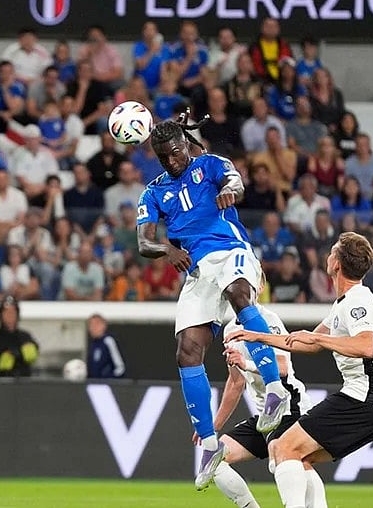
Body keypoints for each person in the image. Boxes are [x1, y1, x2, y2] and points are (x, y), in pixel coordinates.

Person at [136, 115, 291, 490]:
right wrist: (168, 249)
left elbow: (235, 180)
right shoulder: (153, 193)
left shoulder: (210, 165)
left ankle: (274, 391)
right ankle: (207, 444)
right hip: (196, 271)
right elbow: (144, 242)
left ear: (186, 146)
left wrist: (229, 191)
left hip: (232, 251)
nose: (172, 162)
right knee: (187, 351)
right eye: (164, 157)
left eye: (175, 152)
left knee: (239, 294)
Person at [227, 232, 373, 508]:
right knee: (296, 456)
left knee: (283, 447)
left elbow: (366, 346)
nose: (327, 256)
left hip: (366, 398)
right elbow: (304, 341)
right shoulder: (343, 303)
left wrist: (320, 339)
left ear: (337, 264)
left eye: (332, 252)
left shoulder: (358, 299)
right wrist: (259, 337)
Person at [208, 300, 320, 508]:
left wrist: (246, 363)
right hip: (264, 415)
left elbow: (282, 367)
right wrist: (213, 426)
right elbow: (235, 381)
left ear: (259, 287)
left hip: (288, 406)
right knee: (214, 458)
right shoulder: (230, 330)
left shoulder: (268, 320)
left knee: (288, 457)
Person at [0, 296, 38, 377]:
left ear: (17, 314)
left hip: (24, 384)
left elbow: (32, 354)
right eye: (6, 312)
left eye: (13, 312)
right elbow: (1, 363)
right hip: (0, 384)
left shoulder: (25, 336)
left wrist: (15, 354)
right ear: (0, 315)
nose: (10, 315)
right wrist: (20, 353)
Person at [248, 17, 293, 83]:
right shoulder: (254, 46)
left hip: (282, 81)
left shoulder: (285, 45)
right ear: (262, 28)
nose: (271, 29)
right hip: (260, 81)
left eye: (274, 26)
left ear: (278, 29)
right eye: (268, 26)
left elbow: (291, 64)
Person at [343, 134, 373, 199]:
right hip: (355, 199)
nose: (362, 148)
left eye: (365, 145)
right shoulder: (348, 164)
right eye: (360, 145)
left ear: (369, 146)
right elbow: (346, 184)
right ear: (356, 146)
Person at [86, 314, 126, 379]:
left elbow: (120, 368)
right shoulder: (93, 345)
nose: (93, 328)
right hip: (94, 384)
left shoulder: (108, 341)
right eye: (90, 325)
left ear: (103, 326)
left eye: (96, 324)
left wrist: (109, 379)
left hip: (106, 385)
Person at [132, 21, 169, 92]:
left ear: (157, 32)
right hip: (140, 86)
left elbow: (164, 69)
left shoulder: (164, 49)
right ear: (143, 32)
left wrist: (163, 84)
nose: (149, 33)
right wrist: (152, 51)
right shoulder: (138, 46)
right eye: (147, 30)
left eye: (152, 30)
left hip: (158, 87)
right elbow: (140, 66)